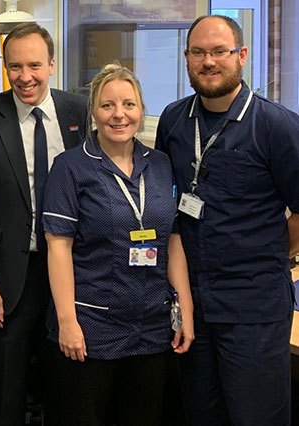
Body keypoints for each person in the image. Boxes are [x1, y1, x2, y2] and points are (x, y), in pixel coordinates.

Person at [155, 15, 299, 426]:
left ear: (241, 55)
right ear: (186, 58)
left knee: (257, 417)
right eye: (198, 52)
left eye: (219, 51)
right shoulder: (173, 120)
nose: (209, 61)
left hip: (253, 307)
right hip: (192, 303)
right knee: (202, 414)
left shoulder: (276, 126)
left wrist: (271, 253)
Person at [43, 63, 194, 426]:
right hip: (91, 324)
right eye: (107, 105)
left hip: (151, 327)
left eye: (128, 104)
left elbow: (172, 239)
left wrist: (185, 309)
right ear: (93, 111)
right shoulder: (71, 167)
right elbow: (58, 247)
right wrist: (67, 322)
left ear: (141, 110)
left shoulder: (160, 165)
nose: (119, 115)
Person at [0, 22, 89, 426]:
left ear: (51, 65)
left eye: (34, 65)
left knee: (68, 382)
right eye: (14, 66)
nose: (24, 76)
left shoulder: (80, 111)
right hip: (11, 275)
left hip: (73, 271)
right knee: (6, 391)